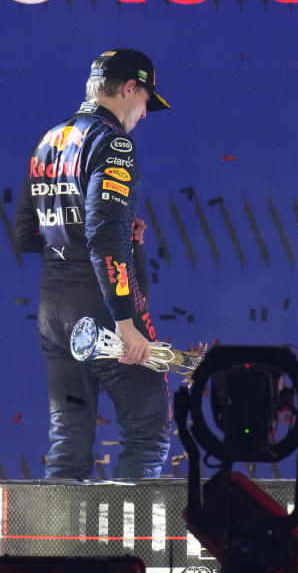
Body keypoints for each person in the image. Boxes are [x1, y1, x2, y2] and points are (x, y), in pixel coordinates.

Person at [14, 48, 173, 479]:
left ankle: (59, 547)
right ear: (129, 88)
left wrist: (91, 234)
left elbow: (24, 234)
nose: (144, 113)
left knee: (68, 440)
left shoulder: (50, 138)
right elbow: (103, 238)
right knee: (148, 429)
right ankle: (133, 546)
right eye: (145, 102)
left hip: (53, 310)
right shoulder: (113, 142)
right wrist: (125, 323)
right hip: (103, 308)